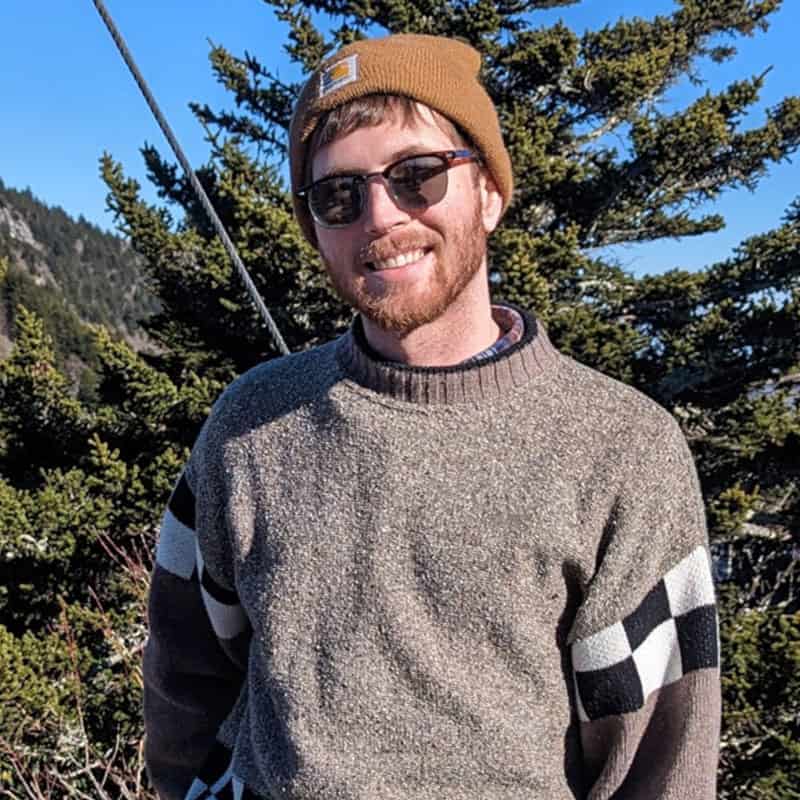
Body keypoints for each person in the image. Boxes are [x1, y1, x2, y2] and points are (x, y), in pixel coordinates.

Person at [143, 33, 721, 800]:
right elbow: (185, 677)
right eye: (339, 195)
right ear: (316, 226)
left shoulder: (620, 450)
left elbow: (660, 764)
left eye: (417, 176)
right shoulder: (250, 424)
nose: (380, 217)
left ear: (488, 189)